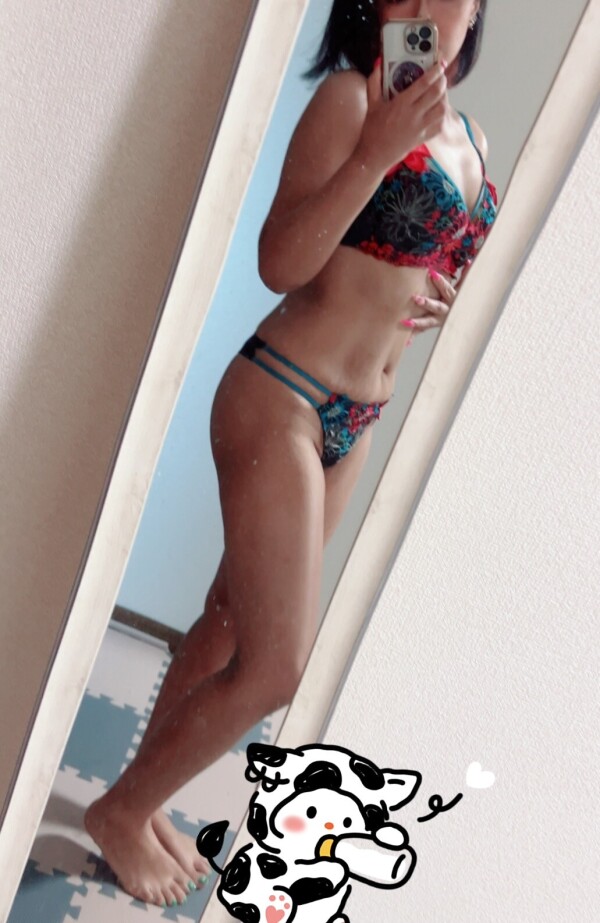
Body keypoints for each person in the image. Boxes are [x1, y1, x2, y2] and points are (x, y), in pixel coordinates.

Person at [85, 0, 496, 908]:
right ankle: (120, 811)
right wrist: (375, 151)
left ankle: (140, 797)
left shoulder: (472, 140)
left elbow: (425, 272)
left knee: (228, 622)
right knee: (278, 664)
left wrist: (450, 298)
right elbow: (280, 261)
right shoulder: (352, 101)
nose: (424, 8)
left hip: (358, 418)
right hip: (284, 395)